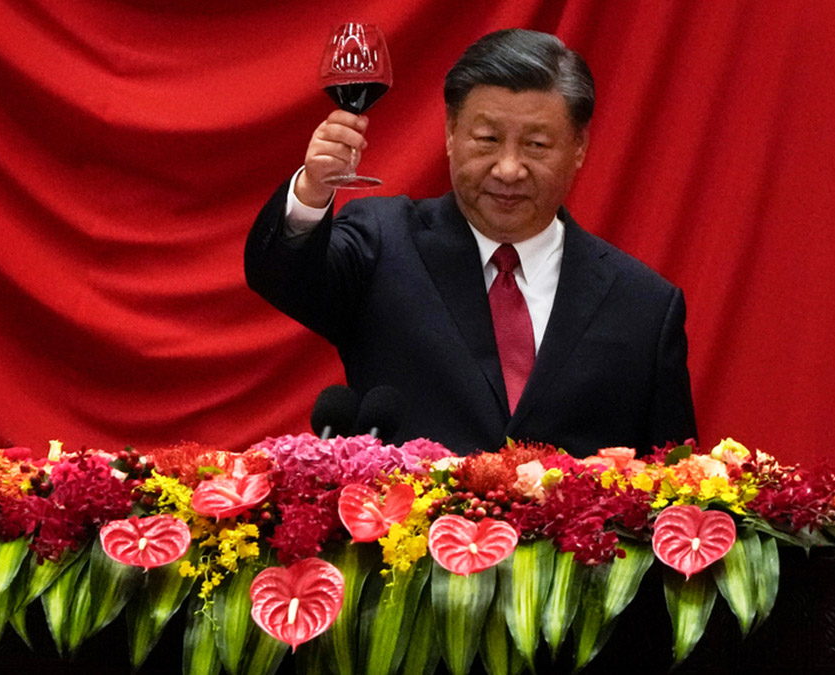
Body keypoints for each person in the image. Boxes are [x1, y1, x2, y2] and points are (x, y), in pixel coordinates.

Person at [246, 29, 696, 456]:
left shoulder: (644, 307)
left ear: (579, 147)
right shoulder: (384, 242)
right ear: (450, 133)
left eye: (537, 145)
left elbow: (676, 483)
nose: (508, 168)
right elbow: (284, 275)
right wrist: (312, 191)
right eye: (487, 140)